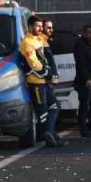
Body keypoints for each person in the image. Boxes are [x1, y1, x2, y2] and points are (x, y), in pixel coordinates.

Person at [19, 15, 60, 148]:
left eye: (41, 26)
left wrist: (51, 73)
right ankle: (49, 135)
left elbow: (46, 58)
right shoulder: (27, 43)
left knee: (55, 105)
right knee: (42, 112)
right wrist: (46, 73)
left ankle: (49, 132)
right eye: (37, 26)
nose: (40, 28)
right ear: (30, 27)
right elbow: (33, 63)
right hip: (35, 83)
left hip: (44, 82)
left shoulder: (39, 39)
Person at [72, 24, 91, 138]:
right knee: (84, 105)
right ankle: (84, 130)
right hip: (84, 81)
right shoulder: (80, 45)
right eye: (90, 33)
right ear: (84, 33)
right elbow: (81, 64)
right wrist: (87, 79)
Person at [40, 18, 66, 144]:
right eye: (48, 28)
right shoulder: (41, 42)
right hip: (44, 82)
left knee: (52, 107)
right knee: (54, 106)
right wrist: (50, 77)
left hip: (48, 82)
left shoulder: (46, 41)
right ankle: (49, 132)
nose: (51, 30)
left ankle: (53, 135)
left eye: (52, 27)